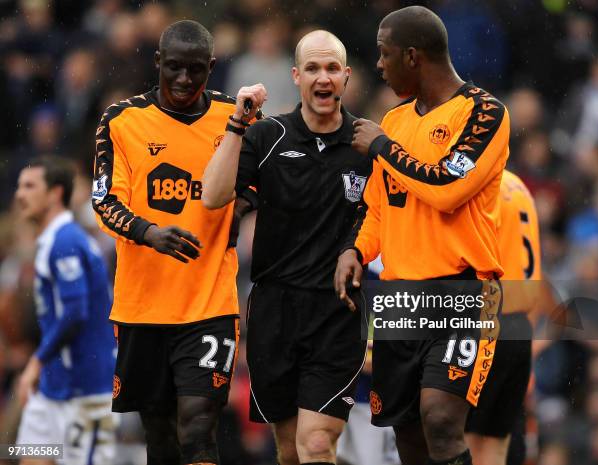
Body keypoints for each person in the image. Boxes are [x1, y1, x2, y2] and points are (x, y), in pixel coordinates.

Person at [335, 6, 510, 465]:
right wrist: (356, 248)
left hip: (462, 290)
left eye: (384, 54)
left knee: (440, 420)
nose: (378, 65)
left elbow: (447, 188)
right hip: (399, 297)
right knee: (407, 434)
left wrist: (382, 147)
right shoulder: (394, 120)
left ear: (412, 57)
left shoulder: (484, 111)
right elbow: (378, 207)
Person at [202, 30, 371, 465]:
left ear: (347, 76)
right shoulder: (267, 136)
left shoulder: (368, 145)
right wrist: (238, 123)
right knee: (289, 448)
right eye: (313, 68)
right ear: (296, 76)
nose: (323, 77)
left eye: (332, 68)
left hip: (338, 313)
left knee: (317, 445)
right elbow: (213, 195)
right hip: (274, 311)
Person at [91, 20, 255, 465]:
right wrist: (150, 233)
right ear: (158, 61)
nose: (185, 80)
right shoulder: (123, 120)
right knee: (159, 433)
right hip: (143, 305)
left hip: (210, 304)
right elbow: (103, 199)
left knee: (199, 426)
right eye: (175, 68)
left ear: (212, 67)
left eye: (196, 70)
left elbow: (261, 176)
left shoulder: (235, 118)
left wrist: (240, 206)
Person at [15, 156, 116, 465]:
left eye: (30, 186)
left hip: (85, 392)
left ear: (56, 193)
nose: (20, 194)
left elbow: (75, 311)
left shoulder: (66, 241)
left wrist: (36, 360)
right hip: (53, 388)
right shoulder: (55, 240)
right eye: (19, 185)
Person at [465, 170, 541, 465]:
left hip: (487, 323)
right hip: (520, 327)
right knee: (496, 445)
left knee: (467, 440)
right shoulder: (519, 185)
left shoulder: (482, 185)